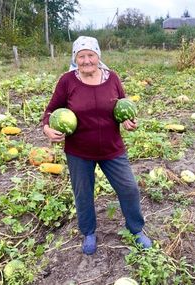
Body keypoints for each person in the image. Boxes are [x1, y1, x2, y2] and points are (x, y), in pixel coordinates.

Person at [42, 36, 152, 255]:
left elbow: (123, 105)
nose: (86, 61)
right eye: (81, 56)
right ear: (75, 58)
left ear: (98, 56)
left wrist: (128, 121)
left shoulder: (112, 79)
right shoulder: (67, 81)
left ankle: (136, 229)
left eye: (90, 55)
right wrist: (47, 127)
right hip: (79, 151)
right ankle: (89, 232)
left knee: (129, 188)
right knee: (83, 193)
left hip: (112, 148)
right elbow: (50, 110)